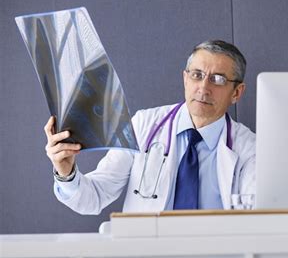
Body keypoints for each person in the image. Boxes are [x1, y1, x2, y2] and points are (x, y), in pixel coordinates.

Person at [44, 40, 255, 214]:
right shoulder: (143, 125)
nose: (203, 88)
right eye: (197, 75)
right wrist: (66, 172)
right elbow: (96, 196)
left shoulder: (250, 149)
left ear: (236, 92)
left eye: (217, 79)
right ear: (185, 79)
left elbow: (259, 215)